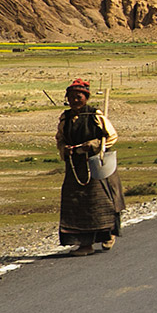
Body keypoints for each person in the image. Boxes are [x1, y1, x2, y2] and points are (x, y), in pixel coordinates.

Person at [55, 78, 123, 256]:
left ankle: (107, 234)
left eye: (78, 97)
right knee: (77, 205)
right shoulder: (65, 118)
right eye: (71, 97)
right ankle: (84, 245)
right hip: (75, 168)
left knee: (101, 202)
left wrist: (93, 145)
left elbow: (112, 137)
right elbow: (60, 139)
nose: (75, 101)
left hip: (96, 166)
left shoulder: (96, 116)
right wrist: (65, 149)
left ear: (86, 98)